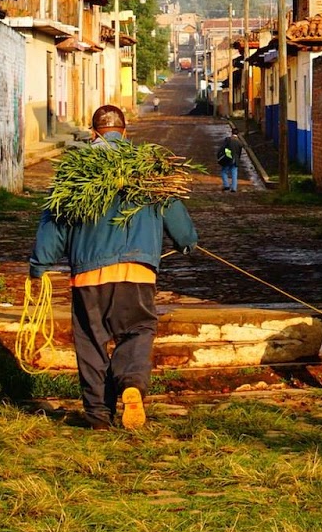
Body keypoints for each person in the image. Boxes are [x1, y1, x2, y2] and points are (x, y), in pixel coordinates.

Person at [29, 103, 197, 431]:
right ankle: (132, 383)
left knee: (91, 342)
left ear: (93, 134)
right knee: (138, 330)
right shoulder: (150, 169)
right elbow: (183, 229)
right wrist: (186, 242)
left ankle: (98, 416)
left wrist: (40, 265)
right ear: (125, 133)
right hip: (138, 274)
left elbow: (54, 223)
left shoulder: (75, 173)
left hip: (88, 277)